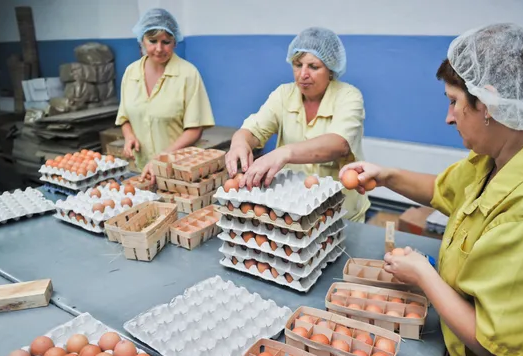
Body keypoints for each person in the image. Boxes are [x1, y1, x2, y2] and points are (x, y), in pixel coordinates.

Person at [341, 23, 523, 356]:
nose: (449, 117)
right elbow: (446, 190)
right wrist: (386, 175)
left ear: (489, 103)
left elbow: (499, 352)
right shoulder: (505, 156)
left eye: (454, 101)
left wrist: (423, 275)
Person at [225, 27, 370, 222]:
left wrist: (284, 153)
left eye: (314, 66)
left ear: (331, 70)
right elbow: (252, 130)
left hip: (339, 213)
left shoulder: (349, 96)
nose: (303, 74)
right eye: (297, 64)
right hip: (292, 213)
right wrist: (239, 143)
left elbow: (339, 143)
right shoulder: (284, 95)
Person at [115, 8, 215, 178]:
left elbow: (194, 129)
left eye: (166, 42)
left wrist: (162, 158)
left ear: (175, 42)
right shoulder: (131, 73)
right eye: (152, 41)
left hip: (180, 171)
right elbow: (124, 117)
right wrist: (129, 136)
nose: (159, 48)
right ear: (142, 41)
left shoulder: (188, 74)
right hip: (143, 170)